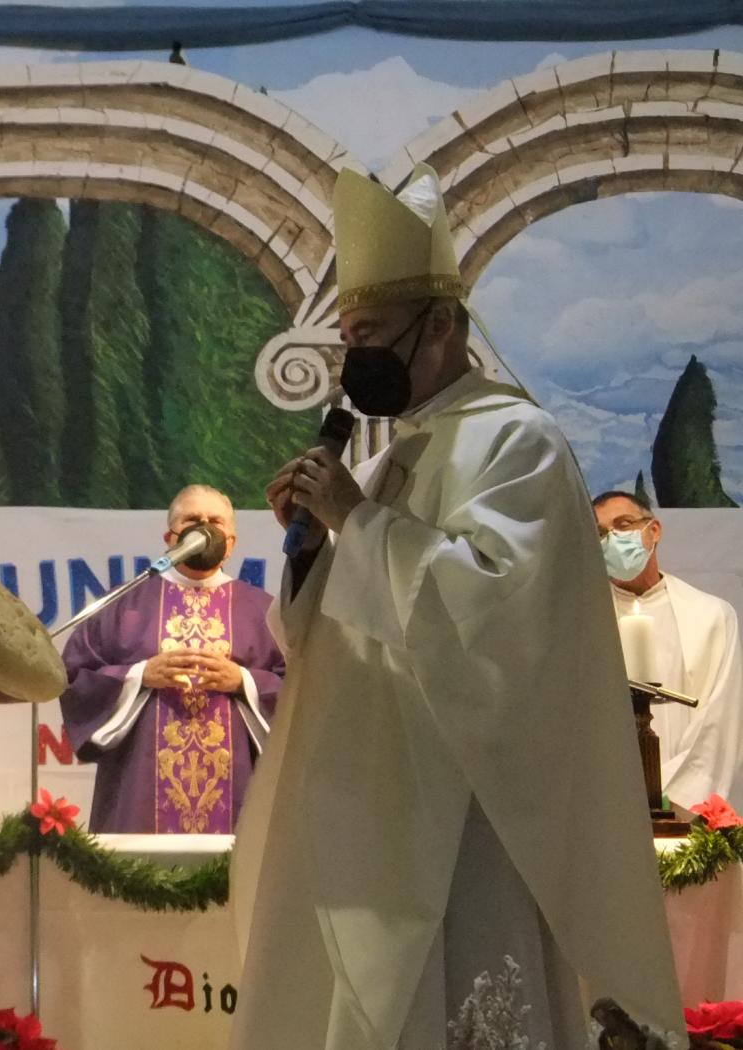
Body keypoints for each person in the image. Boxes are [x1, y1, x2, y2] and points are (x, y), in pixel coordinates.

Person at [229, 165, 683, 1049]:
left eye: (369, 333)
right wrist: (319, 551)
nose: (356, 356)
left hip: (467, 810)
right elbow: (330, 633)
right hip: (370, 804)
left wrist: (356, 521)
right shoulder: (403, 451)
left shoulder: (518, 441)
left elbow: (494, 616)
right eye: (348, 335)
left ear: (438, 324)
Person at [58, 485, 283, 833]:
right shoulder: (125, 604)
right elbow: (73, 678)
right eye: (193, 520)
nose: (205, 529)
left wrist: (244, 682)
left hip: (238, 790)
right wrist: (139, 676)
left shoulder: (264, 611)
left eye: (215, 522)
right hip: (139, 792)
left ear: (232, 542)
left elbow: (301, 686)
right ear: (171, 536)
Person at [595, 489, 743, 810]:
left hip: (685, 813)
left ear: (654, 531)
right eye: (601, 534)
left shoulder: (712, 617)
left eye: (623, 525)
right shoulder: (584, 621)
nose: (612, 540)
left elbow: (718, 728)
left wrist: (662, 798)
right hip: (604, 807)